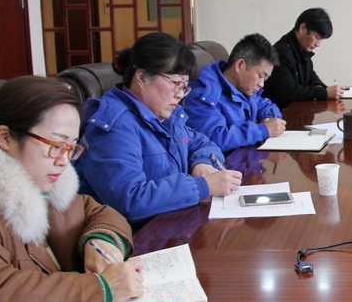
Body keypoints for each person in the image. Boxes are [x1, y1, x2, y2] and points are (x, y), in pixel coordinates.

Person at [0, 76, 144, 302]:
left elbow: (100, 212)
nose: (64, 161)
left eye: (71, 148)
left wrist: (101, 240)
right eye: (56, 145)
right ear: (5, 138)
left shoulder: (46, 185)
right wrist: (102, 290)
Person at [76, 32, 243, 225]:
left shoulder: (165, 116)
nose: (180, 94)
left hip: (172, 223)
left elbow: (203, 143)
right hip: (137, 235)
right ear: (141, 77)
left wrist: (202, 163)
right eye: (176, 83)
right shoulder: (115, 127)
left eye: (185, 87)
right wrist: (201, 186)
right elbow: (129, 200)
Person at [184, 33, 287, 152]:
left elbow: (266, 104)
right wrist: (262, 130)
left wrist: (268, 118)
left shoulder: (244, 87)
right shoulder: (204, 94)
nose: (261, 84)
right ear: (240, 65)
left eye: (265, 79)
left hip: (245, 156)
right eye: (260, 76)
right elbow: (212, 138)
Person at [264, 7, 344, 109]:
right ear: (303, 28)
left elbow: (311, 77)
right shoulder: (281, 51)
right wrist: (324, 92)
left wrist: (320, 87)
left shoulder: (302, 50)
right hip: (280, 114)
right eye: (317, 37)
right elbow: (286, 91)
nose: (318, 44)